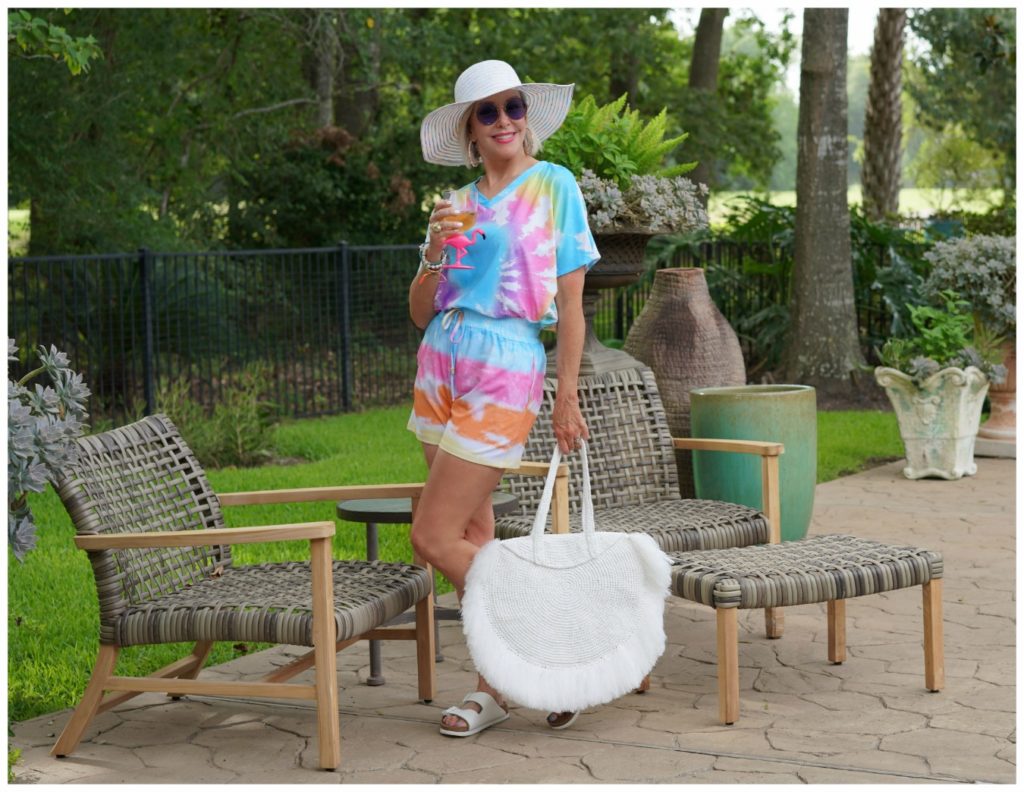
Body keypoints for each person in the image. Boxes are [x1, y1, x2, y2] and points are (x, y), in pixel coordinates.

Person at [408, 59, 599, 737]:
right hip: (440, 363)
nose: (504, 121)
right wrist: (434, 250)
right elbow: (420, 310)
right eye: (487, 113)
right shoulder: (454, 204)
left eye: (513, 106)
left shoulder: (555, 187)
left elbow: (572, 307)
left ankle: (549, 647)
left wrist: (566, 393)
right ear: (470, 129)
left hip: (505, 364)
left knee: (430, 536)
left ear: (526, 113)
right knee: (472, 535)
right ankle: (494, 688)